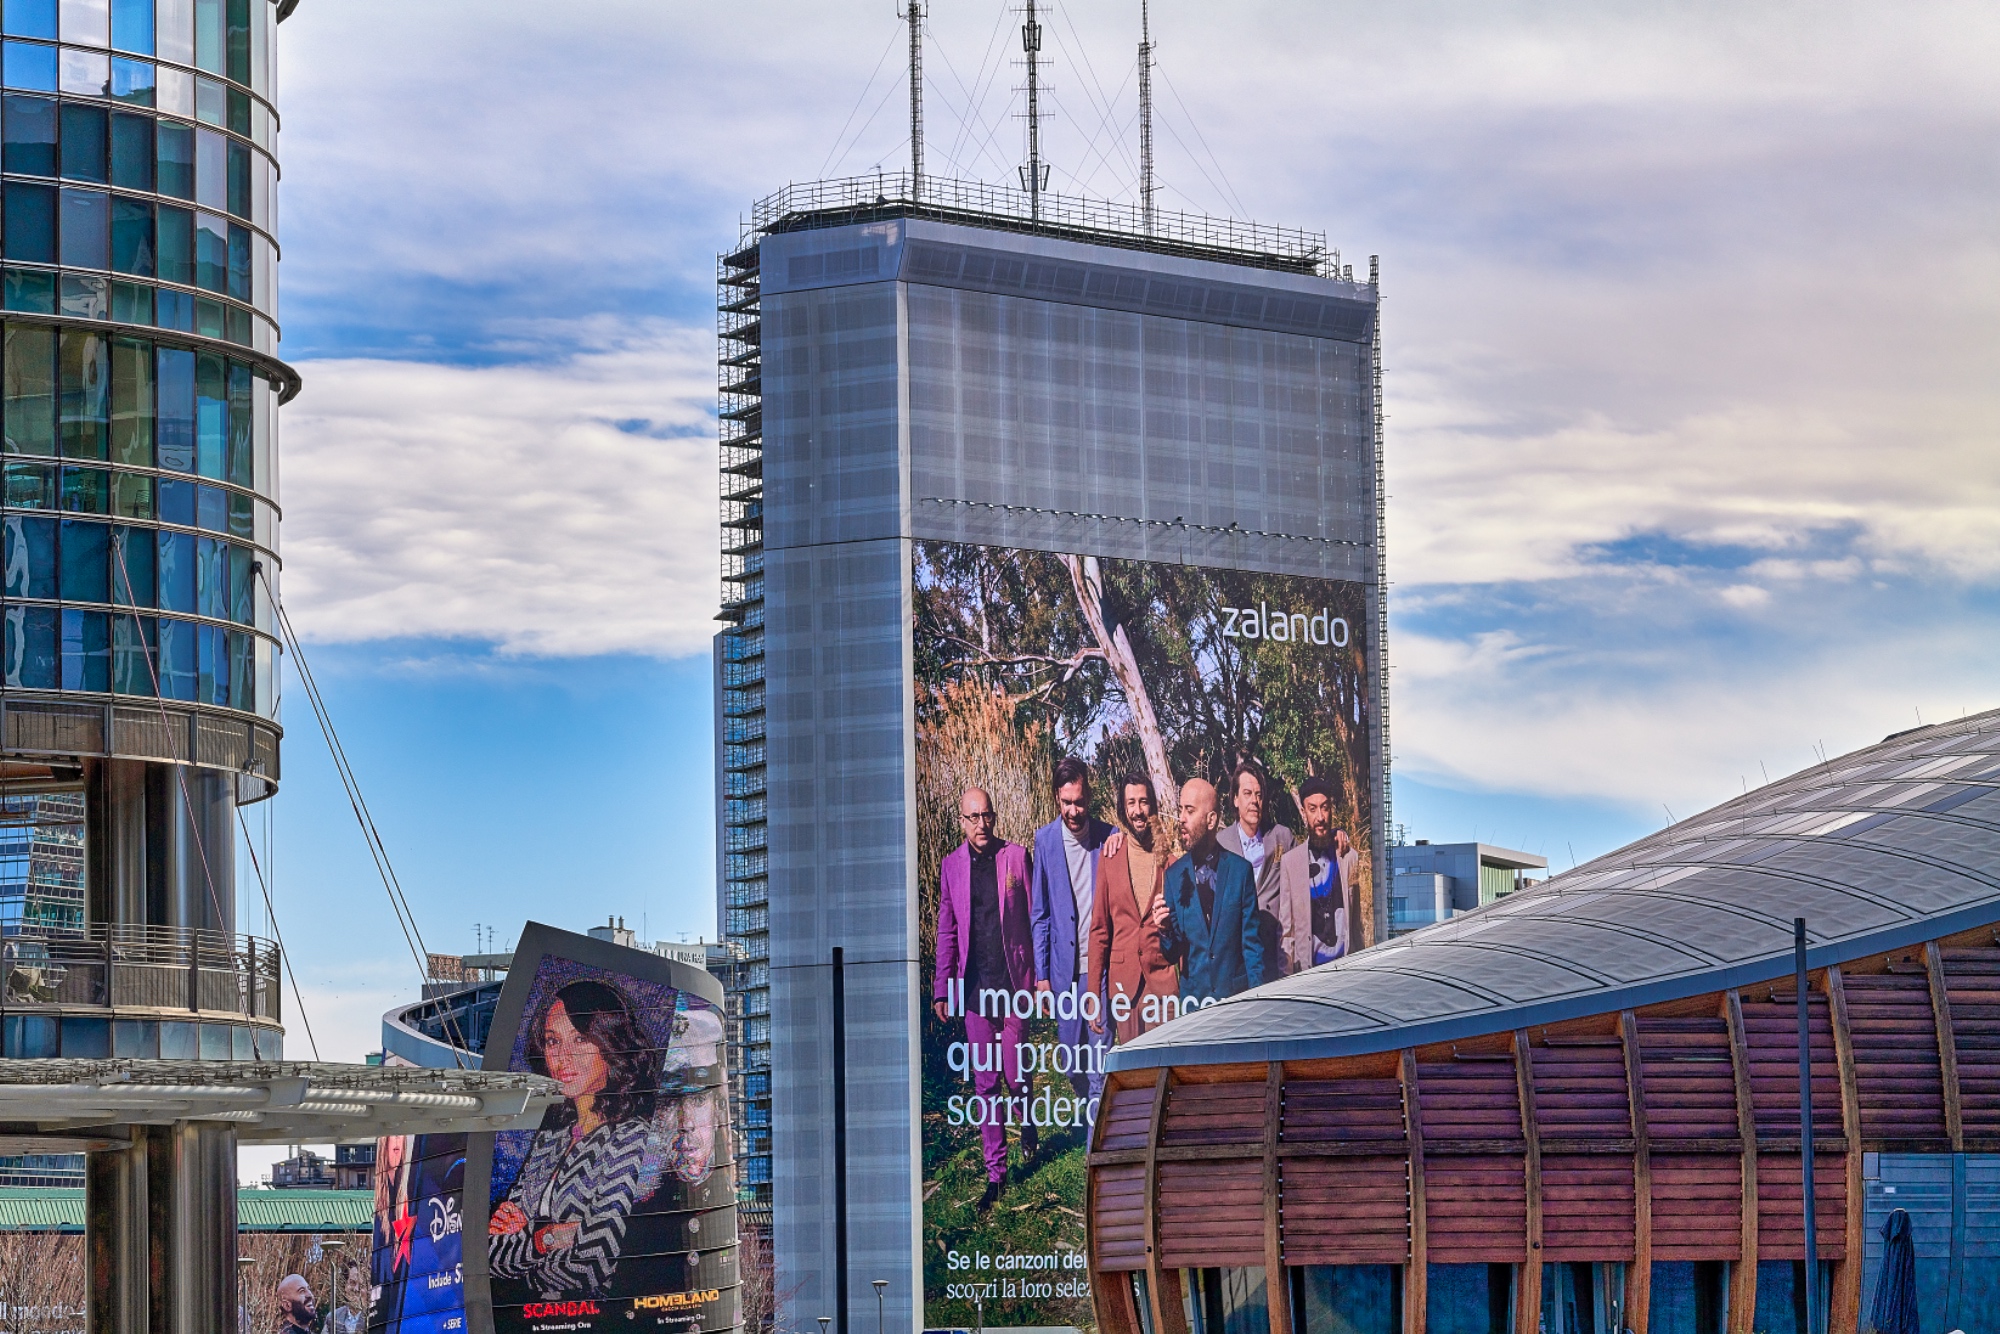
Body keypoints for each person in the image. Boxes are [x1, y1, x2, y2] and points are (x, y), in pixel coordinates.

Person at [488, 979, 661, 1298]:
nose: (562, 1057)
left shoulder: (632, 1138)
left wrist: (527, 1237)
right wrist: (549, 1238)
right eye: (552, 1041)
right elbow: (492, 1255)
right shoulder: (551, 1139)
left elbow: (594, 1264)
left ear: (611, 1044)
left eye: (580, 1038)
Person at [932, 786, 1037, 1212]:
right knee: (986, 1083)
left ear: (994, 817)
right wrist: (942, 988)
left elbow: (1035, 918)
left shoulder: (1016, 857)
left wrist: (1040, 979)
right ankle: (997, 1174)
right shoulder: (951, 867)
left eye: (987, 815)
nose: (981, 824)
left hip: (1013, 985)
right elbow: (947, 930)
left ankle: (1027, 1121)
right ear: (962, 821)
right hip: (975, 992)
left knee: (1015, 1074)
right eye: (973, 817)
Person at [1030, 756, 1115, 1101]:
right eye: (1066, 802)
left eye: (1079, 802)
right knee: (1070, 1063)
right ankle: (1087, 1105)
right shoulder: (1045, 841)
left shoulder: (1109, 838)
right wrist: (1042, 976)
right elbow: (1040, 914)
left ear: (1088, 797)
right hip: (1063, 971)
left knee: (1099, 1062)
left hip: (1098, 970)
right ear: (1056, 798)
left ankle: (1095, 1130)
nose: (1073, 810)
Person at [1154, 777, 1263, 1002]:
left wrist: (1257, 1001)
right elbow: (1172, 955)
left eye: (1190, 811)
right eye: (1180, 810)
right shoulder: (1173, 877)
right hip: (1195, 1005)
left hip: (1236, 1001)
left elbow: (1252, 948)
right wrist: (1165, 930)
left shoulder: (1241, 872)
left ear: (1211, 820)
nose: (1181, 818)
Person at [1088, 772, 1177, 1044]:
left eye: (1143, 802)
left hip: (1160, 984)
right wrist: (1093, 992)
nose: (1138, 811)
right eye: (1131, 803)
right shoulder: (1110, 857)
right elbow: (1099, 930)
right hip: (1123, 986)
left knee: (1161, 1064)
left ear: (1152, 806)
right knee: (1132, 1066)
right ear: (1123, 809)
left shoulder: (1171, 863)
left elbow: (1182, 931)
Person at [1216, 759, 1296, 983]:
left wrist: (1334, 836)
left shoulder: (1281, 837)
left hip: (1275, 949)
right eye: (1247, 793)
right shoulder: (1221, 844)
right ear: (1235, 799)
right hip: (1237, 956)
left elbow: (1306, 864)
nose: (1254, 801)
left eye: (1259, 795)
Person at [1278, 775, 1360, 969]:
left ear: (1331, 809)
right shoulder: (1291, 863)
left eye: (1324, 807)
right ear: (1303, 812)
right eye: (1312, 809)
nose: (1320, 817)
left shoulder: (1349, 858)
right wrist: (1285, 977)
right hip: (1308, 973)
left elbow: (1357, 925)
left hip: (1346, 969)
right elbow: (1286, 932)